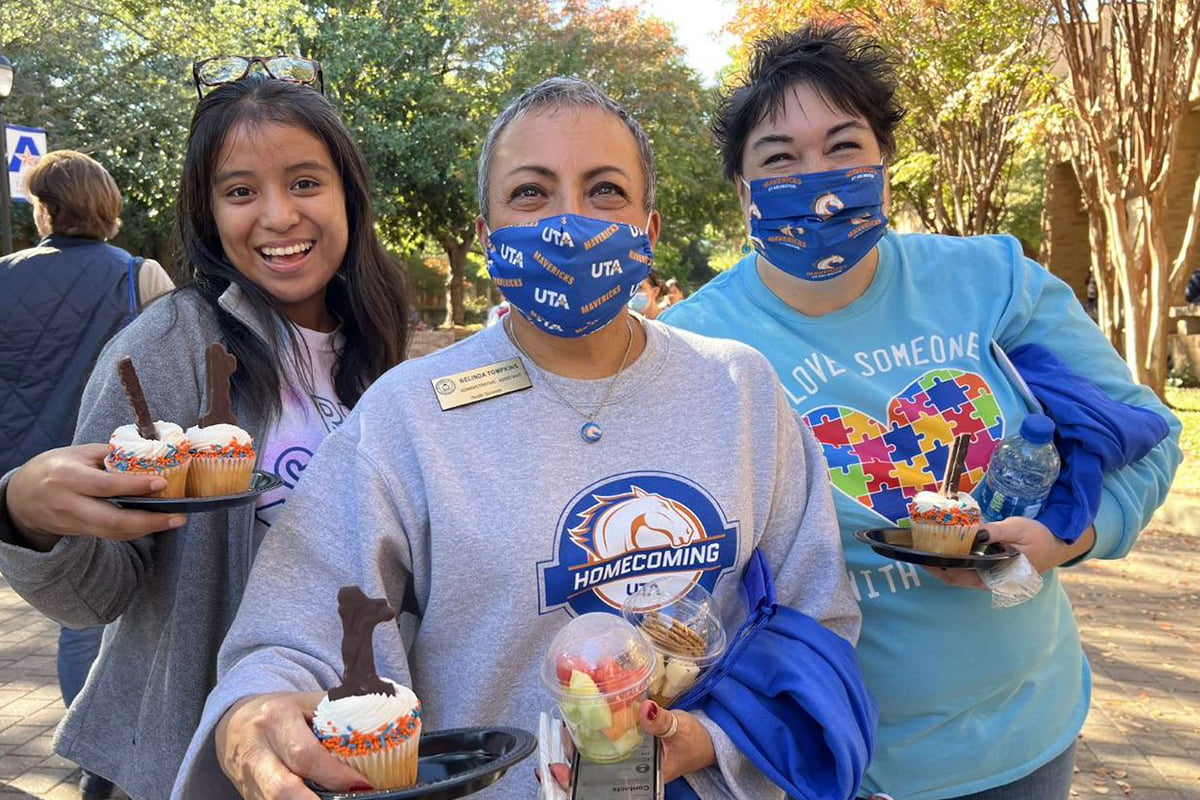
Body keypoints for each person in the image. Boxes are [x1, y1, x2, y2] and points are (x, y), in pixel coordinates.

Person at [172, 77, 864, 800]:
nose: (568, 222)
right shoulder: (408, 417)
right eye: (531, 194)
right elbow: (302, 627)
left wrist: (711, 742)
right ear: (487, 234)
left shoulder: (740, 390)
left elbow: (818, 618)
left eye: (604, 192)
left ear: (650, 232)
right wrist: (253, 713)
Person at [662, 24, 1181, 800]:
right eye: (779, 158)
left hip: (1023, 734)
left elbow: (1148, 439)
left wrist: (1057, 539)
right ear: (741, 189)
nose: (820, 179)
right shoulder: (692, 344)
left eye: (844, 146)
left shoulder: (991, 278)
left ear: (883, 162)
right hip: (828, 752)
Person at [0, 65, 411, 800]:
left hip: (353, 750)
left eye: (306, 183)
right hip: (193, 765)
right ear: (210, 211)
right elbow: (95, 597)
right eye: (241, 191)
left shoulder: (380, 348)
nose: (278, 216)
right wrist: (23, 519)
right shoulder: (170, 342)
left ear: (349, 193)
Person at [0, 149, 175, 799]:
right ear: (107, 206)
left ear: (43, 209)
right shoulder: (138, 276)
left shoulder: (3, 277)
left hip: (16, 486)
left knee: (68, 616)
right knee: (91, 618)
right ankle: (96, 754)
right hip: (109, 475)